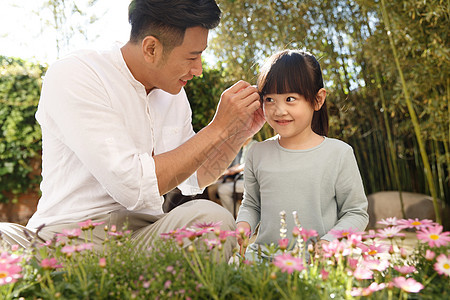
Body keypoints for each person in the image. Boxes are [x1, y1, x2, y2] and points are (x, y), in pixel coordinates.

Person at [1, 0, 265, 260]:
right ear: (151, 48)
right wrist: (218, 127)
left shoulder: (173, 93)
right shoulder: (77, 73)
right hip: (63, 237)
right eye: (192, 56)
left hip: (142, 237)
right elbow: (132, 186)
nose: (199, 69)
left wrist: (237, 132)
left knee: (214, 221)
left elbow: (194, 175)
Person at [236, 49, 369, 260]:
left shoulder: (338, 153)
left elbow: (355, 213)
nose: (279, 110)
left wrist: (329, 242)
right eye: (269, 99)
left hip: (316, 264)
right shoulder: (257, 152)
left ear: (318, 99)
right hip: (264, 261)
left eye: (290, 99)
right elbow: (252, 204)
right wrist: (242, 226)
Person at [217, 138, 256, 216]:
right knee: (221, 186)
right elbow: (240, 165)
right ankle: (240, 214)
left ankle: (240, 215)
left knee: (222, 190)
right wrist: (228, 171)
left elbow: (246, 164)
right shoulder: (245, 147)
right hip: (242, 180)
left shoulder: (254, 145)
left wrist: (232, 171)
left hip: (250, 182)